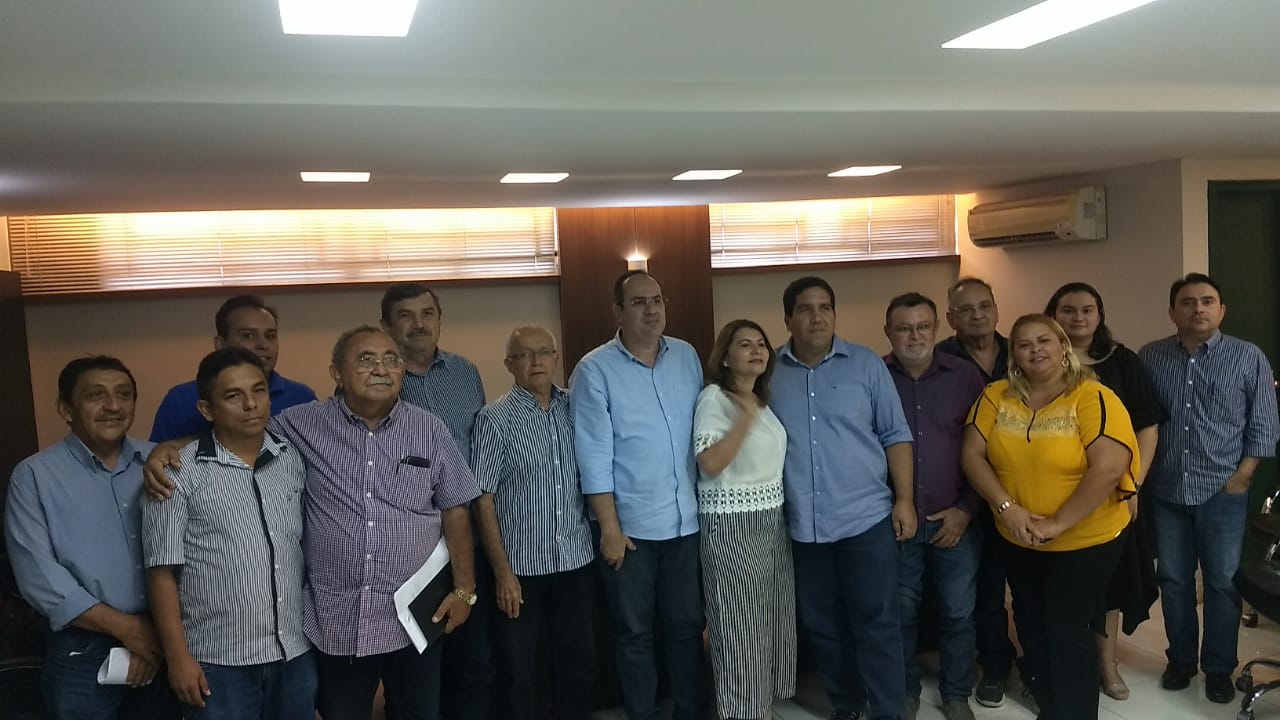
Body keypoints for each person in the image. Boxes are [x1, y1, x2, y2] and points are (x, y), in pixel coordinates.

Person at [145, 326, 482, 720]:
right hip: (337, 623)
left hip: (416, 617)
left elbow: (455, 508)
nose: (381, 369)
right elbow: (235, 432)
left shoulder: (430, 428)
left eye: (391, 359)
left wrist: (464, 591)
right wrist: (168, 448)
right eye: (366, 359)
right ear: (336, 372)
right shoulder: (298, 426)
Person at [962, 314, 1139, 720]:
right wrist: (1007, 508)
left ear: (1062, 347)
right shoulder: (995, 395)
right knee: (1031, 622)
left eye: (1044, 340)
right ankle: (1051, 706)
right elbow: (971, 454)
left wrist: (1058, 523)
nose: (1035, 350)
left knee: (1066, 629)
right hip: (1019, 535)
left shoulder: (1093, 397)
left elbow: (1109, 467)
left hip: (1085, 540)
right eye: (1024, 344)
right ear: (1014, 354)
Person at [770, 276, 915, 720]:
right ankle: (847, 703)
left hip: (865, 519)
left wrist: (904, 499)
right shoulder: (769, 372)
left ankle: (887, 710)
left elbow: (895, 433)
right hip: (802, 525)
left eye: (825, 308)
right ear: (788, 319)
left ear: (834, 314)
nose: (817, 317)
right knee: (823, 624)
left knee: (878, 621)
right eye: (805, 309)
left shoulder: (866, 365)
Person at [143, 348, 315, 719]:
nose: (251, 404)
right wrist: (178, 658)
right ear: (207, 410)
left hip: (293, 653)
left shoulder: (291, 458)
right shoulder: (176, 473)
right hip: (219, 661)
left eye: (259, 390)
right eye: (234, 395)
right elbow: (161, 573)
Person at [5, 356, 180, 720]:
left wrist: (153, 633)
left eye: (124, 394)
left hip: (164, 638)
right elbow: (38, 575)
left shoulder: (159, 463)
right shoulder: (34, 476)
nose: (113, 405)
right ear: (66, 409)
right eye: (95, 395)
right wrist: (127, 629)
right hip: (83, 650)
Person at [1139, 273, 1280, 704]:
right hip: (1166, 489)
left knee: (1221, 582)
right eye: (1187, 302)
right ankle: (1181, 660)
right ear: (1172, 312)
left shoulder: (1247, 357)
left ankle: (1219, 668)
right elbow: (1142, 421)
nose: (1197, 308)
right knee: (1174, 579)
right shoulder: (1151, 356)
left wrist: (1243, 476)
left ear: (1221, 310)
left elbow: (1265, 425)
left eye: (1207, 301)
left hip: (1223, 490)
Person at [570, 270, 704, 720]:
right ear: (618, 312)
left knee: (687, 628)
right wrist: (608, 527)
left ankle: (690, 712)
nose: (651, 310)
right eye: (639, 302)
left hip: (686, 524)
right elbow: (593, 455)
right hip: (630, 531)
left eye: (657, 300)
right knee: (634, 634)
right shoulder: (594, 370)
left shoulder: (686, 356)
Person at [379, 282, 491, 720]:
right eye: (405, 316)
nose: (419, 324)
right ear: (386, 325)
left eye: (427, 313)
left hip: (469, 543)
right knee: (414, 671)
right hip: (411, 553)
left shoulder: (465, 373)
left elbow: (480, 450)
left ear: (440, 319)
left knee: (474, 663)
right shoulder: (377, 381)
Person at [1045, 281, 1163, 701]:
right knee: (1056, 584)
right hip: (1052, 496)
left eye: (1087, 309)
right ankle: (1057, 664)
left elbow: (1147, 426)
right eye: (1068, 310)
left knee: (1109, 584)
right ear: (1052, 315)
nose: (1078, 317)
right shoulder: (1037, 361)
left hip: (1114, 495)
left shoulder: (1123, 362)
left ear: (1100, 315)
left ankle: (1106, 665)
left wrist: (1133, 486)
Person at [472, 326, 595, 720]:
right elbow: (483, 499)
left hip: (575, 559)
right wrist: (502, 573)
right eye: (525, 355)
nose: (537, 361)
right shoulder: (495, 419)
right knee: (520, 671)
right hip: (520, 568)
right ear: (510, 364)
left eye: (544, 352)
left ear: (557, 359)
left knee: (579, 661)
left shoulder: (577, 407)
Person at [883, 293, 985, 720]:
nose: (915, 336)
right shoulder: (874, 376)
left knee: (958, 612)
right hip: (895, 520)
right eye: (904, 328)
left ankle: (956, 692)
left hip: (955, 517)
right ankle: (905, 689)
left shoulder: (965, 377)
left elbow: (990, 449)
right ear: (888, 333)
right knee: (900, 612)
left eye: (923, 327)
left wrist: (967, 509)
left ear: (937, 328)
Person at [693, 319, 796, 720]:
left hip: (770, 522)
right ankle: (741, 711)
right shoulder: (714, 398)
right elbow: (709, 463)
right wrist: (744, 419)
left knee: (768, 622)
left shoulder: (760, 401)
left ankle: (760, 709)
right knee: (740, 629)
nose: (756, 351)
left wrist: (752, 412)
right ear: (725, 357)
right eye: (745, 344)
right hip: (732, 524)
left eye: (761, 344)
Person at [935, 277, 1017, 708]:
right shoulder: (938, 361)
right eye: (966, 310)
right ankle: (994, 666)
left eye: (985, 306)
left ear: (996, 309)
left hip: (1021, 489)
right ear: (951, 319)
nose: (978, 315)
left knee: (1027, 588)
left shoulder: (1020, 352)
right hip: (964, 492)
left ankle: (1034, 667)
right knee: (983, 591)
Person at [150, 295, 316, 442]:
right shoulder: (180, 400)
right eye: (248, 335)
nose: (263, 345)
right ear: (221, 344)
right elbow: (157, 457)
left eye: (270, 336)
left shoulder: (302, 398)